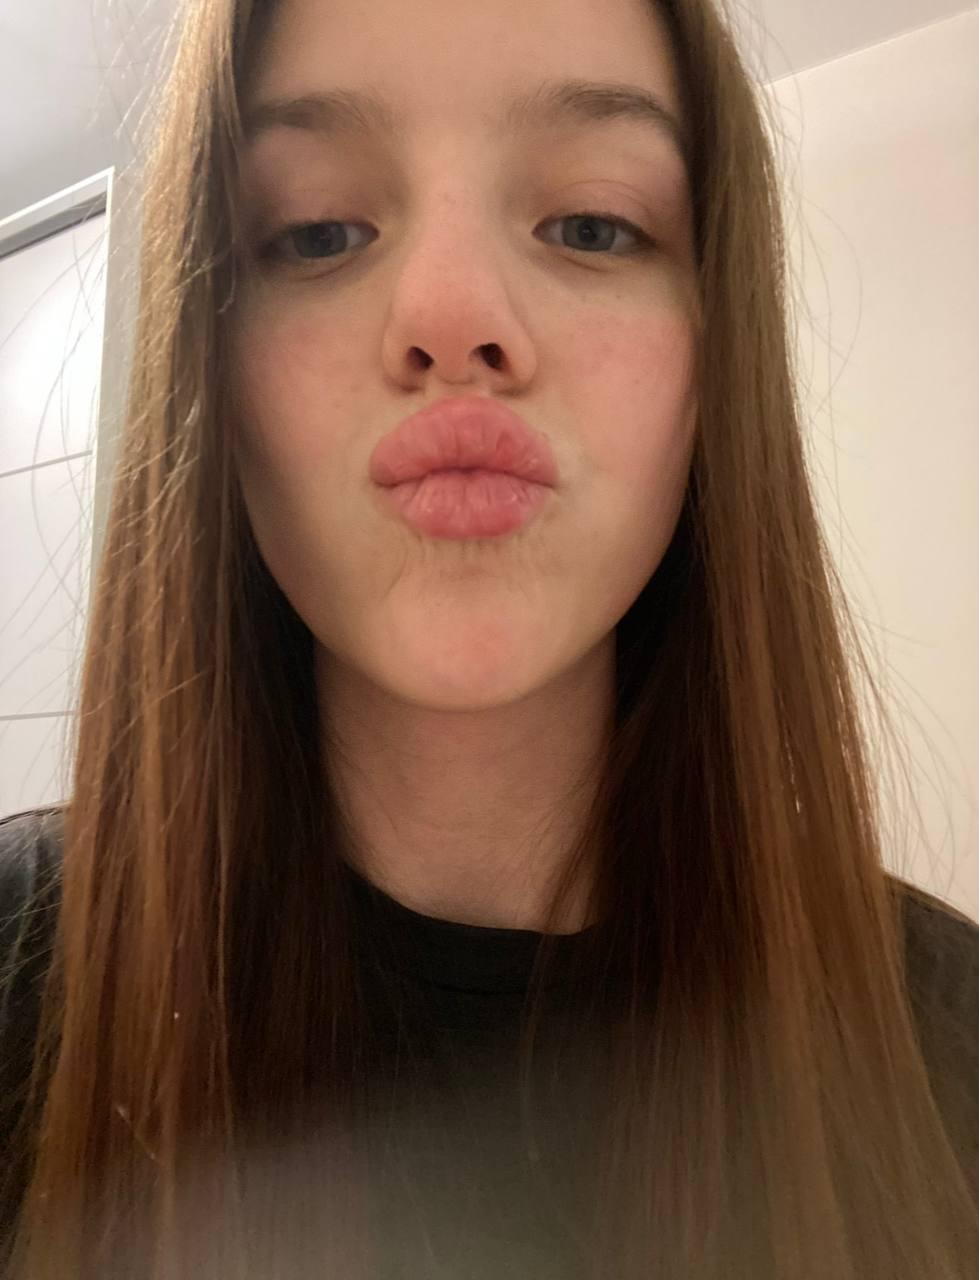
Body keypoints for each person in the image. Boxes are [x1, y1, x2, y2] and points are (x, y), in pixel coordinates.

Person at [1, 0, 976, 1276]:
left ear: (715, 355)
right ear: (212, 367)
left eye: (590, 224)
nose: (452, 311)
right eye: (318, 231)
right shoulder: (18, 957)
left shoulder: (948, 1035)